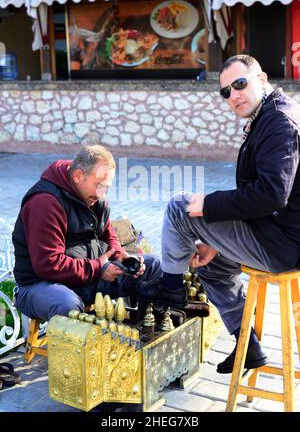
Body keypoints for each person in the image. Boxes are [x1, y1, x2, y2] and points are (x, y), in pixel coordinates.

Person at [140, 54, 300, 374]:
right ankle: (247, 345)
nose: (234, 95)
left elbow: (271, 194)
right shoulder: (269, 114)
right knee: (209, 262)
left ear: (262, 79)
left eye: (240, 84)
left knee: (179, 206)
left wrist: (209, 206)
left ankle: (171, 289)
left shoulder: (279, 121)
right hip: (276, 233)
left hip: (283, 244)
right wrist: (217, 238)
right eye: (225, 91)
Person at [12, 144, 162, 321]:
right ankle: (79, 346)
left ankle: (142, 336)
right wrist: (98, 269)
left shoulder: (93, 196)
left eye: (106, 187)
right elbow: (49, 264)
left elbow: (108, 234)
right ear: (78, 176)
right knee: (67, 304)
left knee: (153, 266)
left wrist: (120, 256)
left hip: (88, 276)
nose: (102, 194)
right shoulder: (45, 203)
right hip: (41, 285)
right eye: (99, 186)